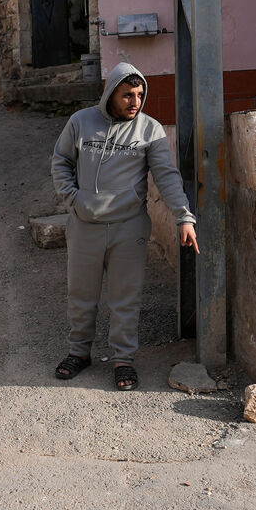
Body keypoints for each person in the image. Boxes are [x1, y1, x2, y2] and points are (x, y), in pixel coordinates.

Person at [50, 62, 199, 391]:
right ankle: (78, 353)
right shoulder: (81, 122)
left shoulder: (150, 130)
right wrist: (72, 198)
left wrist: (183, 216)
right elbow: (61, 160)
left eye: (140, 95)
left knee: (125, 298)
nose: (135, 101)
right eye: (127, 95)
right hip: (84, 224)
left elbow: (166, 176)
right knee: (81, 294)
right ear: (110, 95)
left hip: (128, 227)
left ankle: (122, 360)